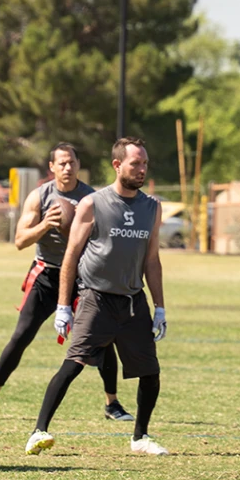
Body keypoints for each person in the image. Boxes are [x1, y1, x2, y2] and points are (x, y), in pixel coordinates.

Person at [0, 143, 133, 422]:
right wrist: (46, 224)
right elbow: (20, 241)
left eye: (72, 163)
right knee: (21, 336)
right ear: (52, 167)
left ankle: (112, 404)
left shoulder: (92, 198)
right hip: (46, 275)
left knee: (103, 340)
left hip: (82, 276)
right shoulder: (39, 196)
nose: (68, 168)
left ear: (79, 165)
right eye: (62, 163)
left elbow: (106, 241)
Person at [25, 137, 168, 456]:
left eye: (145, 163)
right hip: (96, 299)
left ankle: (140, 437)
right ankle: (38, 430)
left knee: (151, 373)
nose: (142, 169)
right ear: (117, 166)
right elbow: (72, 256)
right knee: (72, 365)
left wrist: (160, 307)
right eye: (135, 163)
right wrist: (63, 306)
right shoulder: (93, 204)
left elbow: (152, 260)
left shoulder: (152, 207)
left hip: (133, 302)